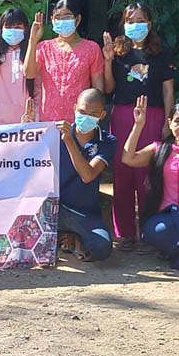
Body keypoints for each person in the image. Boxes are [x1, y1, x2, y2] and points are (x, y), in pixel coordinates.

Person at [102, 3, 175, 252]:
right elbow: (108, 88)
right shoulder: (118, 53)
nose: (136, 25)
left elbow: (168, 90)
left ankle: (149, 231)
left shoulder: (160, 53)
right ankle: (125, 234)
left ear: (150, 24)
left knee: (148, 175)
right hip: (123, 115)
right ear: (124, 24)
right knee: (122, 173)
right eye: (131, 21)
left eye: (141, 20)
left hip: (153, 115)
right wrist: (108, 61)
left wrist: (167, 122)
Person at [121, 98, 179, 272]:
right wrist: (138, 125)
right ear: (170, 123)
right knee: (154, 231)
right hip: (166, 217)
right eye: (178, 121)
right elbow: (128, 158)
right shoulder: (158, 149)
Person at [56, 88, 116, 262]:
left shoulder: (107, 141)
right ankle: (68, 237)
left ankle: (72, 237)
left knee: (101, 248)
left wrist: (69, 142)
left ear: (102, 115)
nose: (86, 117)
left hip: (85, 214)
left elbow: (88, 175)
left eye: (93, 114)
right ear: (74, 108)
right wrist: (27, 129)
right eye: (82, 112)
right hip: (56, 209)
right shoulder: (56, 134)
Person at [24, 0, 104, 122]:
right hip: (49, 120)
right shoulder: (44, 47)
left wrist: (93, 120)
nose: (62, 21)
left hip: (79, 121)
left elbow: (98, 90)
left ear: (77, 19)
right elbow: (29, 73)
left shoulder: (91, 49)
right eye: (58, 17)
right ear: (52, 20)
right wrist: (33, 41)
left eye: (67, 17)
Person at [0, 8, 36, 125]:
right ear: (1, 29)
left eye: (18, 27)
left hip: (25, 118)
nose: (13, 31)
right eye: (8, 27)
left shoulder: (32, 54)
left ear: (25, 29)